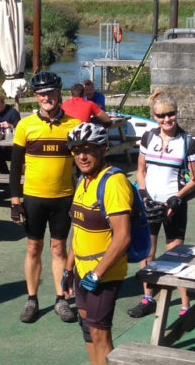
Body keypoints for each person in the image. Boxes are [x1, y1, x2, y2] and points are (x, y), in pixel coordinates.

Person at [9, 71, 81, 324]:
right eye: (41, 94)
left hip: (63, 199)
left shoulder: (74, 125)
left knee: (59, 248)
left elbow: (85, 162)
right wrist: (15, 201)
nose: (46, 98)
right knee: (33, 248)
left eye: (50, 92)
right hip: (33, 199)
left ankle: (61, 299)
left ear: (59, 94)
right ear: (36, 96)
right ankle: (32, 299)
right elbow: (15, 167)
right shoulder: (25, 125)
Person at [127, 92, 195, 319]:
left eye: (171, 114)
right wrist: (144, 196)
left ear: (177, 113)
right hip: (149, 203)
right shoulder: (148, 137)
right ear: (154, 116)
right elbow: (141, 171)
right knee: (147, 252)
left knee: (175, 255)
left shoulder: (189, 142)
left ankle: (185, 305)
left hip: (174, 206)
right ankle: (147, 297)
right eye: (161, 116)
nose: (167, 119)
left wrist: (177, 198)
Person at [63, 123, 131, 365]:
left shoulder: (113, 182)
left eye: (88, 149)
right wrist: (68, 268)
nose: (82, 156)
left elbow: (123, 236)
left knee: (100, 335)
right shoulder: (83, 180)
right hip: (82, 270)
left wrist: (97, 273)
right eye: (77, 150)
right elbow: (79, 230)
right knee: (87, 330)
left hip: (104, 274)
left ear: (102, 149)